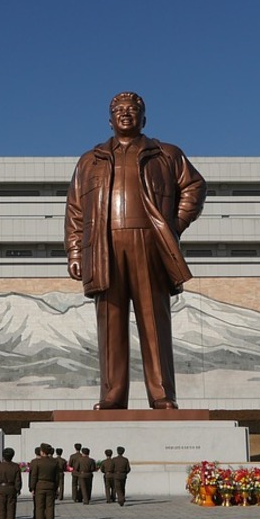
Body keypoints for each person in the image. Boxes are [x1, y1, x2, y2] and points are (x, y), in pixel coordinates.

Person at [65, 91, 206, 410]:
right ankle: (112, 395)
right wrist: (75, 252)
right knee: (110, 321)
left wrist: (174, 224)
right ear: (110, 118)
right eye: (118, 110)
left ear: (144, 118)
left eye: (132, 110)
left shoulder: (166, 153)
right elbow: (75, 208)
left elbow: (195, 187)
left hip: (149, 243)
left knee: (154, 320)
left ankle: (161, 394)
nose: (125, 114)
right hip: (103, 245)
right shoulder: (91, 159)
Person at [29, 444, 60, 519]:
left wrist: (32, 488)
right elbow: (57, 477)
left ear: (42, 452)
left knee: (39, 507)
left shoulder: (37, 462)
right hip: (50, 486)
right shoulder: (54, 462)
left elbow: (34, 476)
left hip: (40, 486)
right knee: (50, 507)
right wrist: (56, 487)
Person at [0, 448, 22, 519]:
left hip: (1, 488)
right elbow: (18, 480)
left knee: (1, 509)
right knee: (11, 509)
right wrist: (17, 489)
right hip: (11, 488)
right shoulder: (15, 466)